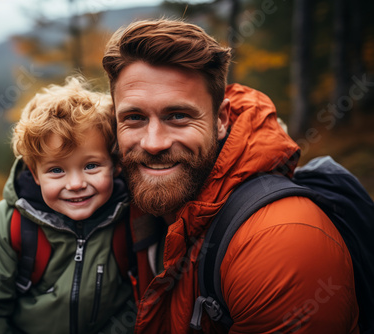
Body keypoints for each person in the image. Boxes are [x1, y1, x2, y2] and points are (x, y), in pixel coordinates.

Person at [102, 19, 359, 333]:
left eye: (178, 116)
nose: (153, 143)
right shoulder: (114, 193)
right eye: (134, 118)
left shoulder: (279, 244)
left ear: (221, 119)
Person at [0, 77, 135, 334]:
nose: (76, 183)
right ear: (35, 174)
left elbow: (141, 302)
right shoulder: (7, 225)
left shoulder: (132, 219)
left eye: (91, 166)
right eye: (57, 170)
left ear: (115, 164)